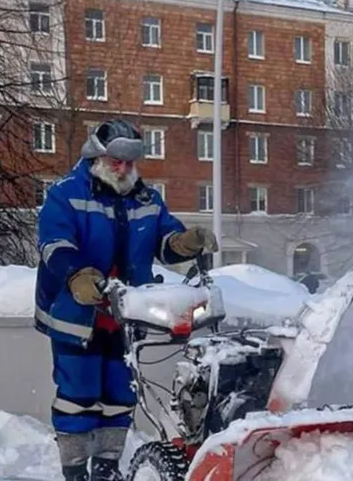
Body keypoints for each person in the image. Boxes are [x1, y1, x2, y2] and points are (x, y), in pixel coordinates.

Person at [34, 118, 218, 481]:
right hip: (76, 314)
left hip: (127, 316)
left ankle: (106, 468)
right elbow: (54, 244)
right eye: (117, 161)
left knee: (120, 395)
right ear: (97, 157)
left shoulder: (148, 199)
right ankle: (75, 472)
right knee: (78, 394)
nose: (124, 168)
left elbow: (166, 240)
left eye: (130, 162)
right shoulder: (66, 193)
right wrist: (76, 275)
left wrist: (184, 242)